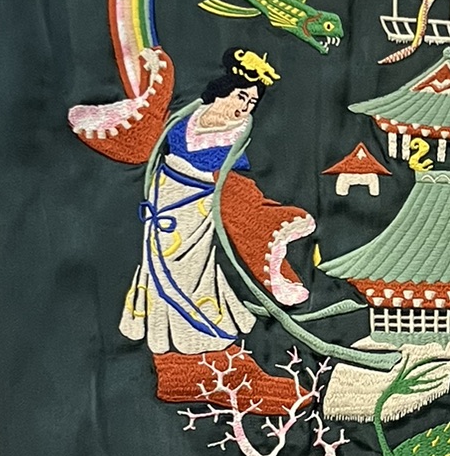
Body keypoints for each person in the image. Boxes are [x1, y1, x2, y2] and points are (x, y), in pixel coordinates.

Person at [121, 47, 314, 413]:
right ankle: (178, 373)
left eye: (252, 103)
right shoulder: (186, 117)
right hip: (162, 215)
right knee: (162, 287)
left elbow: (234, 192)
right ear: (222, 91)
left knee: (199, 286)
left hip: (196, 219)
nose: (245, 108)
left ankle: (217, 368)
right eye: (241, 97)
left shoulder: (231, 137)